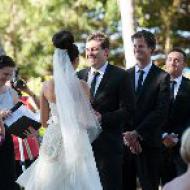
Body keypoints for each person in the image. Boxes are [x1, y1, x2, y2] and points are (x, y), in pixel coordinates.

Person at [17, 30, 102, 190]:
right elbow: (86, 120)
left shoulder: (46, 86)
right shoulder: (83, 86)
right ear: (76, 60)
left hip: (53, 138)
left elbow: (43, 122)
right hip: (77, 140)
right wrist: (96, 117)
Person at [78, 31, 135, 190]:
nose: (90, 53)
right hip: (83, 148)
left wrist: (103, 118)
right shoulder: (79, 75)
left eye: (94, 49)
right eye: (88, 49)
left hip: (108, 148)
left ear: (106, 52)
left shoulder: (121, 76)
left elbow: (129, 110)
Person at [123, 30, 170, 190]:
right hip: (126, 145)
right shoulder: (124, 76)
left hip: (149, 144)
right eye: (135, 46)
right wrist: (129, 136)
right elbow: (121, 108)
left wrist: (137, 133)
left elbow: (161, 111)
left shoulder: (163, 77)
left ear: (151, 48)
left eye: (141, 46)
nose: (137, 49)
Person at [161, 48, 190, 185]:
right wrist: (163, 135)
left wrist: (176, 137)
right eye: (170, 59)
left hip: (182, 149)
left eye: (177, 60)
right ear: (166, 62)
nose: (173, 63)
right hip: (158, 146)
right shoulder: (155, 86)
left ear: (184, 64)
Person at [0, 55, 19, 190]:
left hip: (6, 141)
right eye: (5, 74)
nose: (7, 78)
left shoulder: (12, 93)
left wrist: (28, 128)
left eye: (10, 74)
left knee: (7, 180)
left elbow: (17, 117)